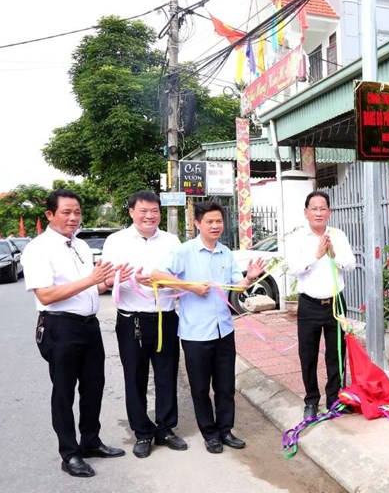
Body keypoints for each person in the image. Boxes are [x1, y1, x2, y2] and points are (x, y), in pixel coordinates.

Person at [21, 189, 129, 478]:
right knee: (64, 392)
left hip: (89, 326)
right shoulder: (38, 248)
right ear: (50, 215)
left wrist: (106, 281)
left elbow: (91, 287)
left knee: (94, 386)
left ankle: (90, 441)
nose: (73, 217)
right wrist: (91, 280)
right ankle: (69, 454)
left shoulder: (80, 245)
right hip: (60, 327)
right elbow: (46, 295)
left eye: (77, 212)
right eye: (66, 212)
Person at [151, 201, 265, 454]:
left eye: (219, 221)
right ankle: (210, 433)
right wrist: (190, 286)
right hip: (195, 333)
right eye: (209, 222)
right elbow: (156, 275)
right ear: (197, 224)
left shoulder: (225, 252)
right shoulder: (184, 252)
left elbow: (237, 287)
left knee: (225, 386)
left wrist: (249, 277)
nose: (215, 226)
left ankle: (226, 430)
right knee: (200, 387)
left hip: (224, 330)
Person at [101, 191, 185, 459]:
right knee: (135, 378)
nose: (150, 216)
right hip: (131, 320)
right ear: (131, 212)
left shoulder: (172, 241)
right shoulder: (116, 241)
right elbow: (105, 279)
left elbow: (181, 276)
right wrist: (122, 280)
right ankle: (142, 432)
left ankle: (166, 428)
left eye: (154, 211)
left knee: (166, 374)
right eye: (143, 211)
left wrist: (166, 281)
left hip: (166, 317)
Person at [286, 191, 356, 420]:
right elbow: (294, 268)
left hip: (335, 303)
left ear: (329, 212)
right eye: (313, 209)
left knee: (337, 354)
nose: (318, 213)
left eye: (322, 208)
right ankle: (311, 400)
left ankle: (334, 399)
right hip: (309, 304)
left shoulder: (338, 234)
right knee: (308, 355)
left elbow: (351, 265)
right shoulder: (298, 238)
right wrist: (316, 255)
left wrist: (333, 254)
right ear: (306, 212)